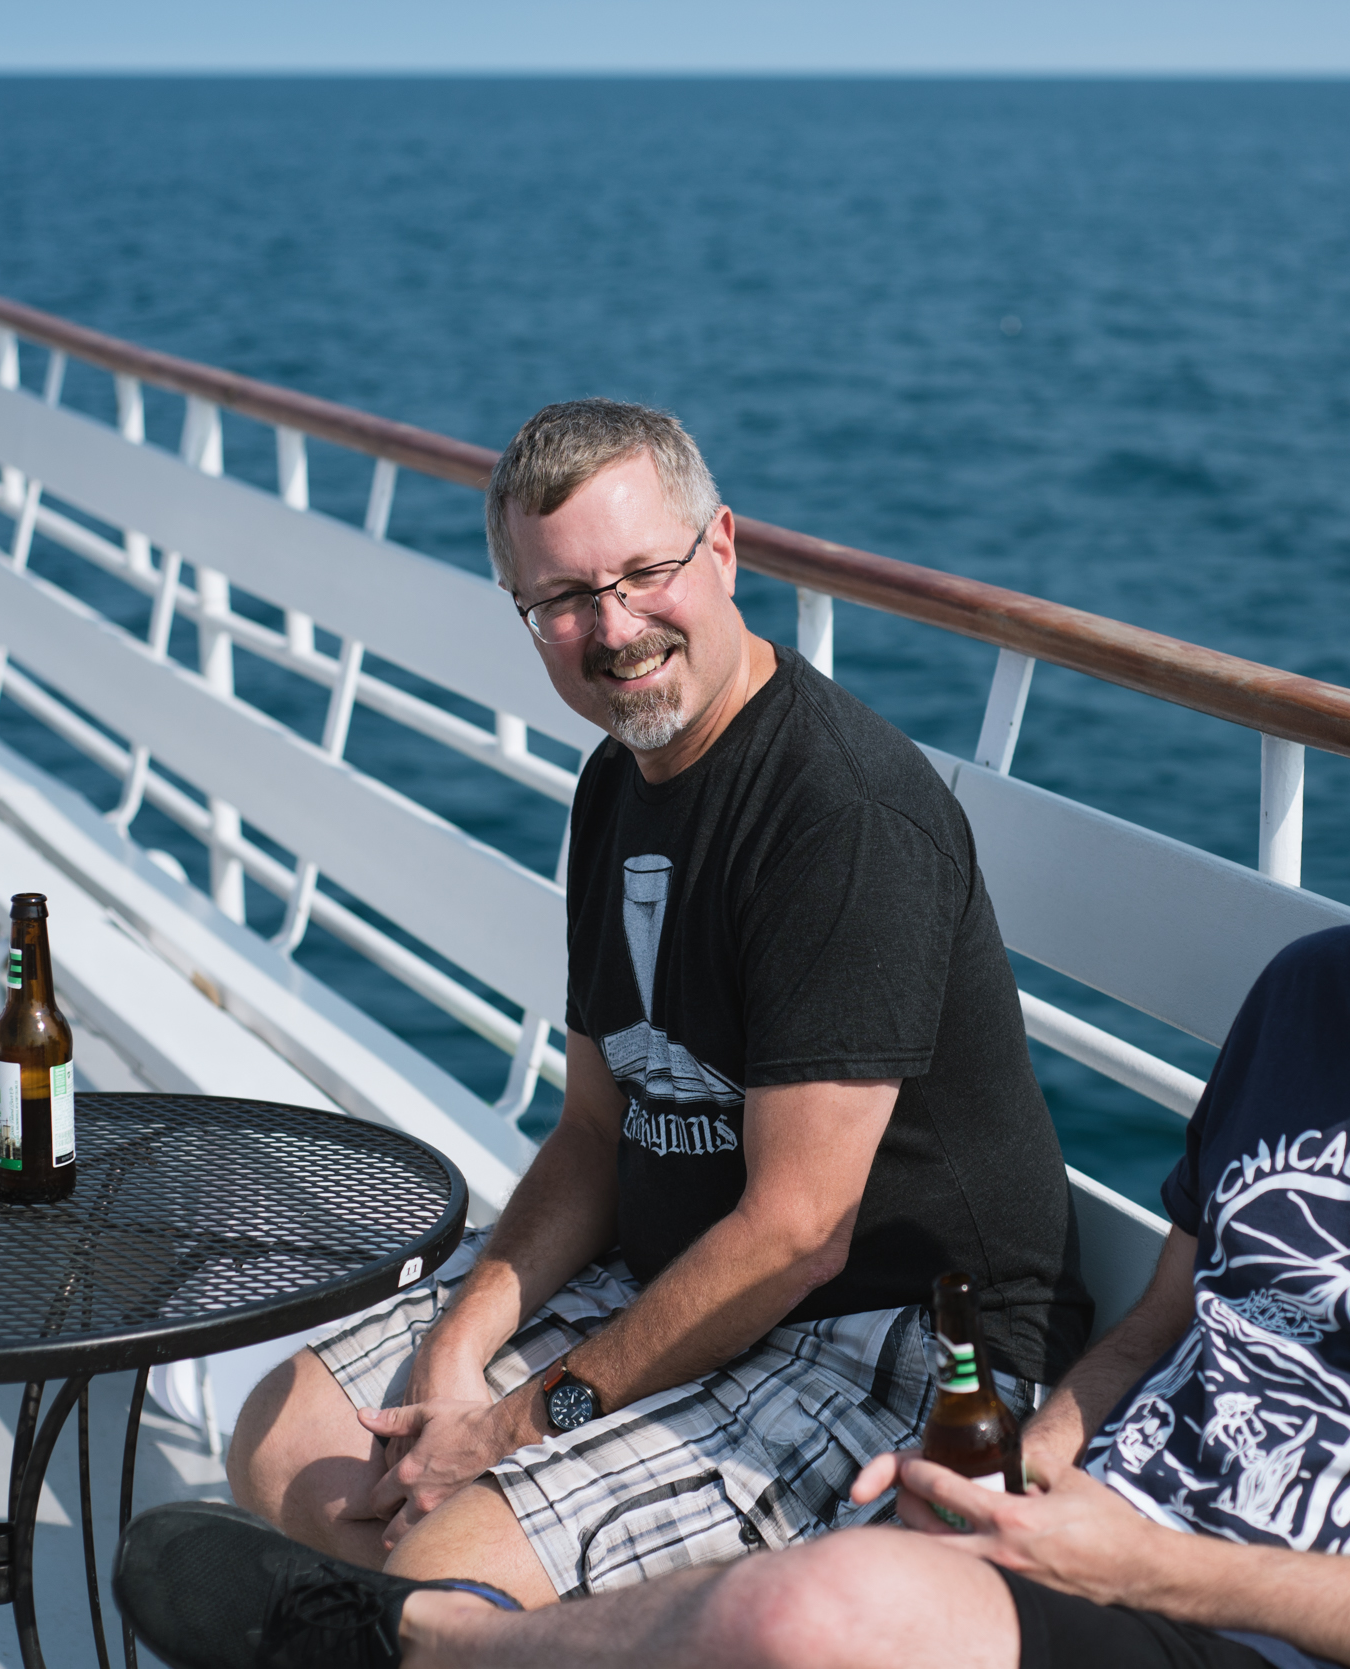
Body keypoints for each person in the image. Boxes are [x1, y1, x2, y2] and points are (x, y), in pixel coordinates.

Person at [119, 542, 1350, 1669]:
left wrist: (1150, 1566)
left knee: (823, 1613)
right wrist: (1032, 1454)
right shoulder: (1322, 998)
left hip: (1257, 1624)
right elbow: (1164, 1321)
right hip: (1071, 1544)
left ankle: (420, 1645)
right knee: (813, 1582)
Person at [222, 399, 1091, 1610]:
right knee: (284, 1442)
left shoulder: (838, 817)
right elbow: (594, 1129)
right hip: (673, 1272)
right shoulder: (618, 782)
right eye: (566, 598)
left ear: (721, 549)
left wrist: (516, 1427)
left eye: (644, 573)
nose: (616, 627)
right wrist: (456, 1354)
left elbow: (798, 1232)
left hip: (888, 1339)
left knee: (447, 1570)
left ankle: (457, 1629)